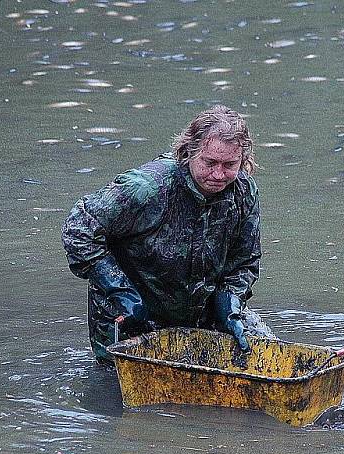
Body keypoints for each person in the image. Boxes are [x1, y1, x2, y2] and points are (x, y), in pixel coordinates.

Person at [62, 105, 273, 361]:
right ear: (189, 152)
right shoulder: (147, 188)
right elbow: (79, 228)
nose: (218, 174)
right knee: (119, 390)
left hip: (199, 311)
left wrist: (230, 303)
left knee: (260, 353)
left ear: (243, 160)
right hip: (130, 311)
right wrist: (119, 290)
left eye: (229, 164)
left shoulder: (243, 192)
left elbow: (245, 261)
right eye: (210, 163)